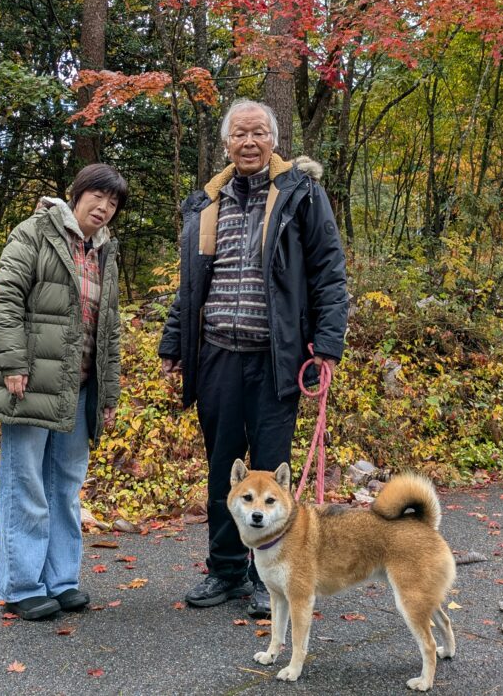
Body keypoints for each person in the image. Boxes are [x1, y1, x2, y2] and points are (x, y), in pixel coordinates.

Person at [159, 100, 348, 618]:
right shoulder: (206, 202)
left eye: (258, 133)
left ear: (273, 139)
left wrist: (327, 345)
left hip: (275, 358)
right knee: (225, 468)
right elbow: (190, 286)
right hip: (217, 355)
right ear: (227, 143)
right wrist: (173, 343)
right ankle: (225, 570)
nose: (249, 142)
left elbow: (329, 272)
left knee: (270, 472)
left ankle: (272, 575)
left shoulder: (300, 194)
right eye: (240, 134)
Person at [0, 163, 127, 621]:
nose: (103, 207)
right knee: (26, 484)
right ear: (76, 194)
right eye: (97, 196)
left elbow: (109, 329)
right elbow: (5, 299)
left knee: (65, 487)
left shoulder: (104, 252)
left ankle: (61, 581)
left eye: (113, 202)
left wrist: (109, 395)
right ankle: (22, 586)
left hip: (79, 387)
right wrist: (13, 363)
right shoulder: (35, 233)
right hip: (31, 382)